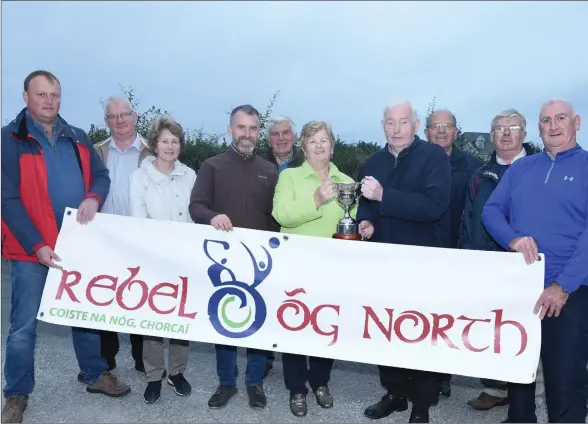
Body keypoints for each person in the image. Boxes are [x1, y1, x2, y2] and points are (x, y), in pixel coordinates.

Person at [1, 70, 131, 424]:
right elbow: (7, 198)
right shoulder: (8, 139)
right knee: (24, 325)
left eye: (54, 95)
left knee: (83, 315)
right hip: (31, 251)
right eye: (41, 94)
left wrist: (93, 197)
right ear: (26, 97)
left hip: (76, 244)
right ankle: (16, 393)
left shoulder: (77, 137)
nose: (49, 101)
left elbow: (101, 177)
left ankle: (94, 375)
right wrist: (38, 244)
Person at [482, 99, 588, 423]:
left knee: (564, 381)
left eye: (560, 119)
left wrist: (562, 285)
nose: (553, 126)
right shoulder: (522, 168)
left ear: (576, 123)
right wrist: (513, 238)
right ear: (538, 127)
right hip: (521, 286)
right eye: (546, 120)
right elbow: (491, 211)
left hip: (569, 290)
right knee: (518, 371)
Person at [358, 100, 451, 423]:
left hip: (422, 263)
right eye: (389, 123)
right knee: (385, 331)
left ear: (414, 125)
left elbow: (435, 206)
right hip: (382, 264)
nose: (396, 129)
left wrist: (385, 197)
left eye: (402, 122)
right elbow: (364, 205)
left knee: (421, 334)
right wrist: (365, 222)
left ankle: (422, 405)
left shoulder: (434, 157)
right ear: (382, 125)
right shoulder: (374, 161)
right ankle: (395, 394)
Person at [189, 104, 279, 410]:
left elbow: (274, 219)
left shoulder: (269, 170)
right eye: (242, 128)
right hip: (222, 261)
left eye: (253, 129)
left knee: (257, 323)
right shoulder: (212, 166)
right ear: (230, 129)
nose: (248, 134)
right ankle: (226, 383)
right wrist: (213, 217)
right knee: (223, 322)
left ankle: (254, 382)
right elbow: (196, 207)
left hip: (259, 262)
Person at [459, 108, 543, 411]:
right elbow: (468, 220)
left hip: (528, 268)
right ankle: (495, 389)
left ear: (524, 133)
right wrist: (466, 259)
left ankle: (532, 393)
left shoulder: (540, 169)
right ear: (491, 135)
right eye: (499, 128)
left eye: (513, 127)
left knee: (530, 330)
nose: (506, 134)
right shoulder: (479, 176)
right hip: (487, 266)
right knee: (491, 328)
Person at [272, 120, 357, 417]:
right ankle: (297, 388)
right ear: (304, 148)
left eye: (324, 140)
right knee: (294, 327)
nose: (319, 145)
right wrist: (316, 200)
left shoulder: (346, 180)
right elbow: (282, 214)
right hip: (295, 267)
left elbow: (353, 221)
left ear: (333, 146)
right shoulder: (290, 178)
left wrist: (365, 226)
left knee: (326, 325)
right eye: (312, 141)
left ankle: (320, 381)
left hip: (333, 270)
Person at [78, 96, 153, 382]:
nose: (120, 121)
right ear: (106, 121)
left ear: (135, 116)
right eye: (113, 116)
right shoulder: (94, 152)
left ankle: (143, 359)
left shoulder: (153, 151)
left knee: (142, 297)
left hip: (141, 238)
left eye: (125, 115)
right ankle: (105, 359)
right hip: (104, 239)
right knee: (104, 297)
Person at [130, 115, 196, 404]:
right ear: (154, 144)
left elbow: (195, 217)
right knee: (153, 320)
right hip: (153, 257)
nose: (170, 146)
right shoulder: (139, 177)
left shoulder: (190, 175)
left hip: (184, 257)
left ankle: (177, 372)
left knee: (181, 318)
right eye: (164, 140)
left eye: (175, 141)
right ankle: (154, 375)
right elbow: (138, 218)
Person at [424, 109, 482, 399]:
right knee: (421, 314)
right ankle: (420, 374)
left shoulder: (472, 166)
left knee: (447, 319)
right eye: (436, 126)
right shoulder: (416, 161)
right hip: (422, 253)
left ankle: (442, 375)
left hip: (456, 252)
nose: (442, 131)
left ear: (457, 132)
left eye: (447, 126)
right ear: (426, 133)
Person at [261, 115, 304, 376]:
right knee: (266, 299)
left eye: (285, 133)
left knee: (294, 297)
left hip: (297, 241)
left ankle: (295, 355)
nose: (281, 138)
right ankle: (264, 357)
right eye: (275, 134)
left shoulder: (308, 161)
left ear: (294, 137)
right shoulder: (256, 163)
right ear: (268, 140)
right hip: (265, 241)